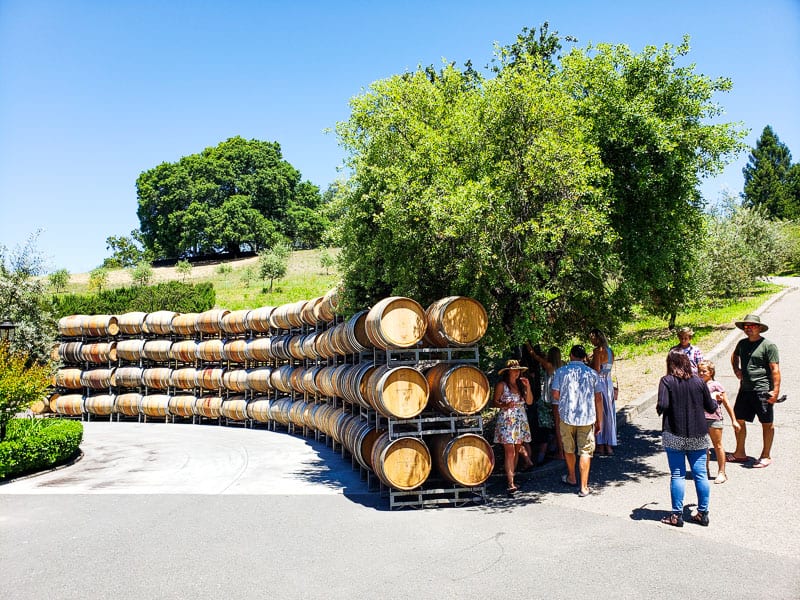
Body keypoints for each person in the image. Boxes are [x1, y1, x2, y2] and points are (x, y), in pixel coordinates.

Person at [657, 350, 718, 527]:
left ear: (670, 363)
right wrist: (714, 399)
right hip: (698, 434)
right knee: (700, 475)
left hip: (674, 433)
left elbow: (663, 404)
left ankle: (676, 515)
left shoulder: (666, 381)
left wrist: (662, 409)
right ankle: (702, 513)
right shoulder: (699, 381)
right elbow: (711, 406)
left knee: (677, 474)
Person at [728, 314, 781, 469]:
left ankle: (766, 455)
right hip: (745, 389)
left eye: (752, 325)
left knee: (766, 423)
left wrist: (775, 391)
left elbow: (775, 369)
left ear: (759, 328)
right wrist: (736, 369)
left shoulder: (768, 346)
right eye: (746, 326)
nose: (748, 328)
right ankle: (740, 453)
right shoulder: (742, 344)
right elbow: (734, 356)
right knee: (738, 420)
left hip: (762, 389)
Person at [550, 345, 603, 497]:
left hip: (567, 416)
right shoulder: (592, 373)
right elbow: (598, 398)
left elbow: (555, 393)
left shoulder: (561, 371)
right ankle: (584, 486)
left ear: (571, 355)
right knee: (585, 450)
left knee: (568, 448)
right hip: (587, 417)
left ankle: (572, 476)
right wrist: (600, 420)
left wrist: (566, 401)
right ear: (583, 356)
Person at [493, 359, 534, 494]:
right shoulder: (502, 385)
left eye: (518, 370)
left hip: (520, 419)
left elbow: (529, 402)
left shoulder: (521, 385)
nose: (517, 372)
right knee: (509, 451)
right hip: (507, 420)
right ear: (508, 371)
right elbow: (495, 402)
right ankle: (510, 483)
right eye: (514, 370)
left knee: (516, 450)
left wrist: (528, 387)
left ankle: (512, 478)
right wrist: (505, 405)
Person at [697, 360, 740, 484]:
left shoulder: (716, 385)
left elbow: (726, 403)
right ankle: (704, 470)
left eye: (704, 371)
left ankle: (722, 472)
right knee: (702, 446)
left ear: (711, 372)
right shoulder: (696, 384)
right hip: (699, 419)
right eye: (699, 371)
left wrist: (734, 420)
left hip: (714, 418)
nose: (701, 373)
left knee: (718, 445)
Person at [526, 342, 565, 460]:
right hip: (562, 398)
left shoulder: (549, 366)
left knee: (555, 426)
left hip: (550, 398)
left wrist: (527, 344)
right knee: (561, 425)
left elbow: (534, 356)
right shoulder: (563, 366)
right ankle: (557, 448)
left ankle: (560, 452)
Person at [589, 329, 616, 456]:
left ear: (597, 338)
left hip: (600, 382)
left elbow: (596, 369)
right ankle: (609, 444)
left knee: (600, 412)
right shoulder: (610, 351)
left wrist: (588, 362)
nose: (591, 341)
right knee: (609, 413)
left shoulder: (597, 351)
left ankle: (600, 444)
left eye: (592, 338)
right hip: (609, 382)